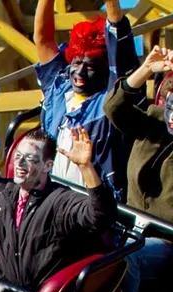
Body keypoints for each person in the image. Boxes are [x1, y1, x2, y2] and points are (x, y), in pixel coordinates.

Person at [0, 127, 116, 291]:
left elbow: (101, 216)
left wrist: (85, 167)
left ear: (47, 166)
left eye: (30, 158)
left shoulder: (59, 201)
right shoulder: (1, 192)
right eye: (18, 156)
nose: (20, 163)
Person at [34, 0, 137, 199]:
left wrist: (112, 4)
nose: (80, 72)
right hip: (53, 203)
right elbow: (43, 40)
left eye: (89, 67)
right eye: (77, 62)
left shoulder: (109, 102)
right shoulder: (59, 90)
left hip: (95, 208)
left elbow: (121, 51)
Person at [105, 44, 173, 292]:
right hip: (129, 227)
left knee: (127, 257)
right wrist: (146, 69)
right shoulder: (153, 124)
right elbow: (113, 108)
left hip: (166, 240)